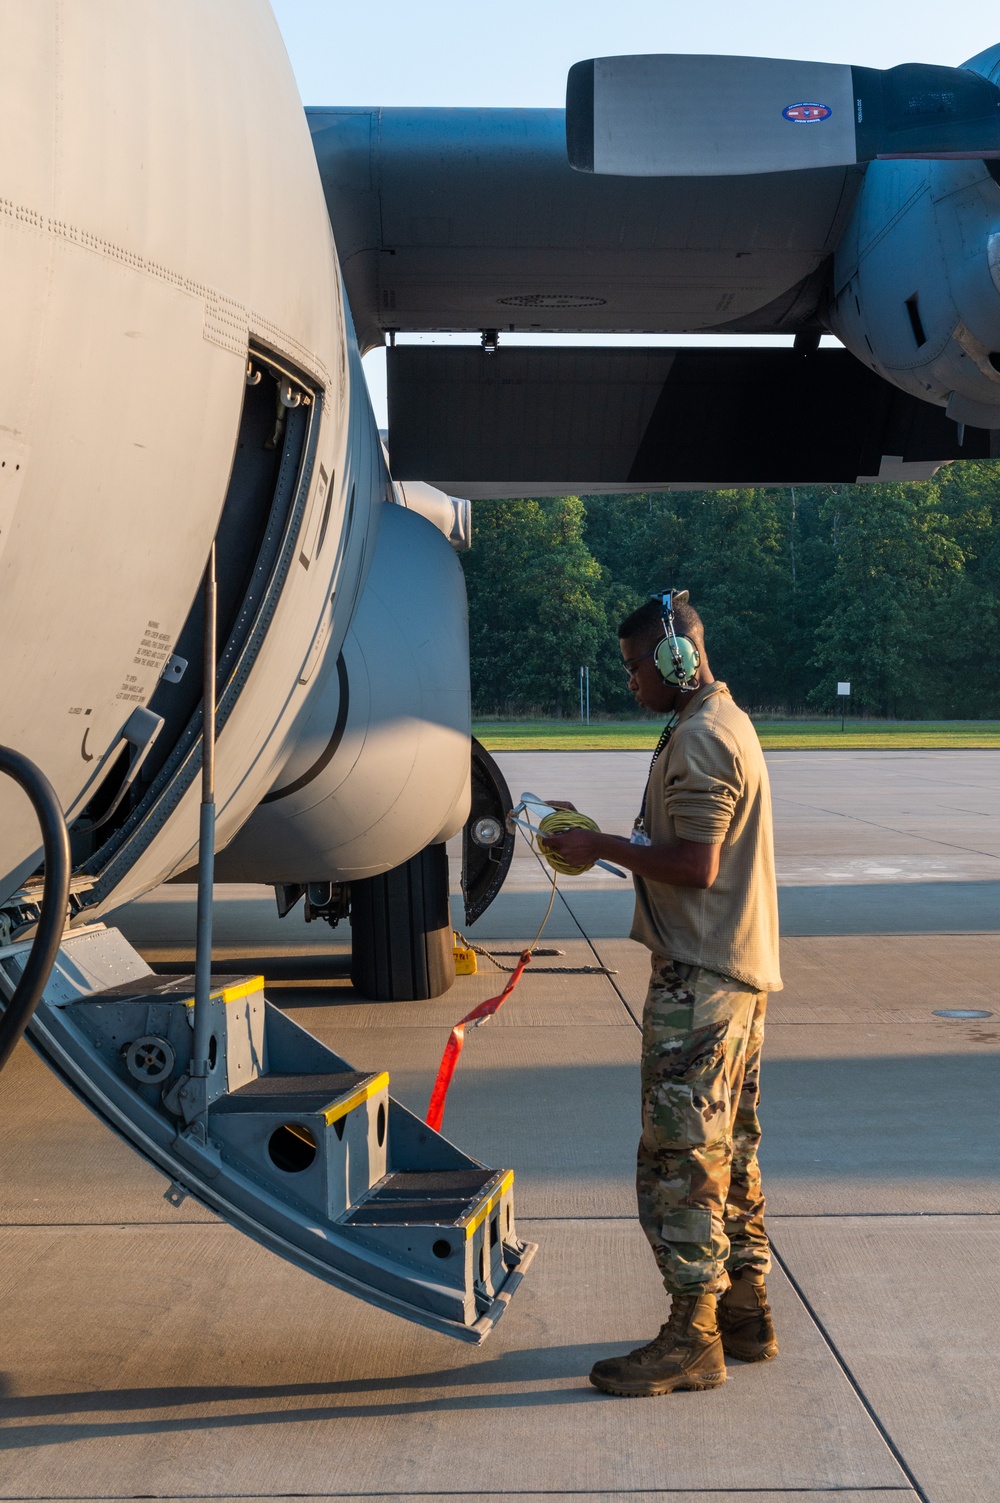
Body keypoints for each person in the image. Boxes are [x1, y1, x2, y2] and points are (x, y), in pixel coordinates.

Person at [541, 590, 782, 1398]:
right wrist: (614, 844)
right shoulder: (716, 722)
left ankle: (693, 1335)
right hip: (732, 974)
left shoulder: (705, 737)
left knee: (680, 1160)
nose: (632, 680)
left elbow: (698, 865)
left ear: (677, 657)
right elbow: (681, 849)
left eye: (637, 663)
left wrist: (600, 843)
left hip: (701, 984)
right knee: (732, 1152)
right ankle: (744, 1312)